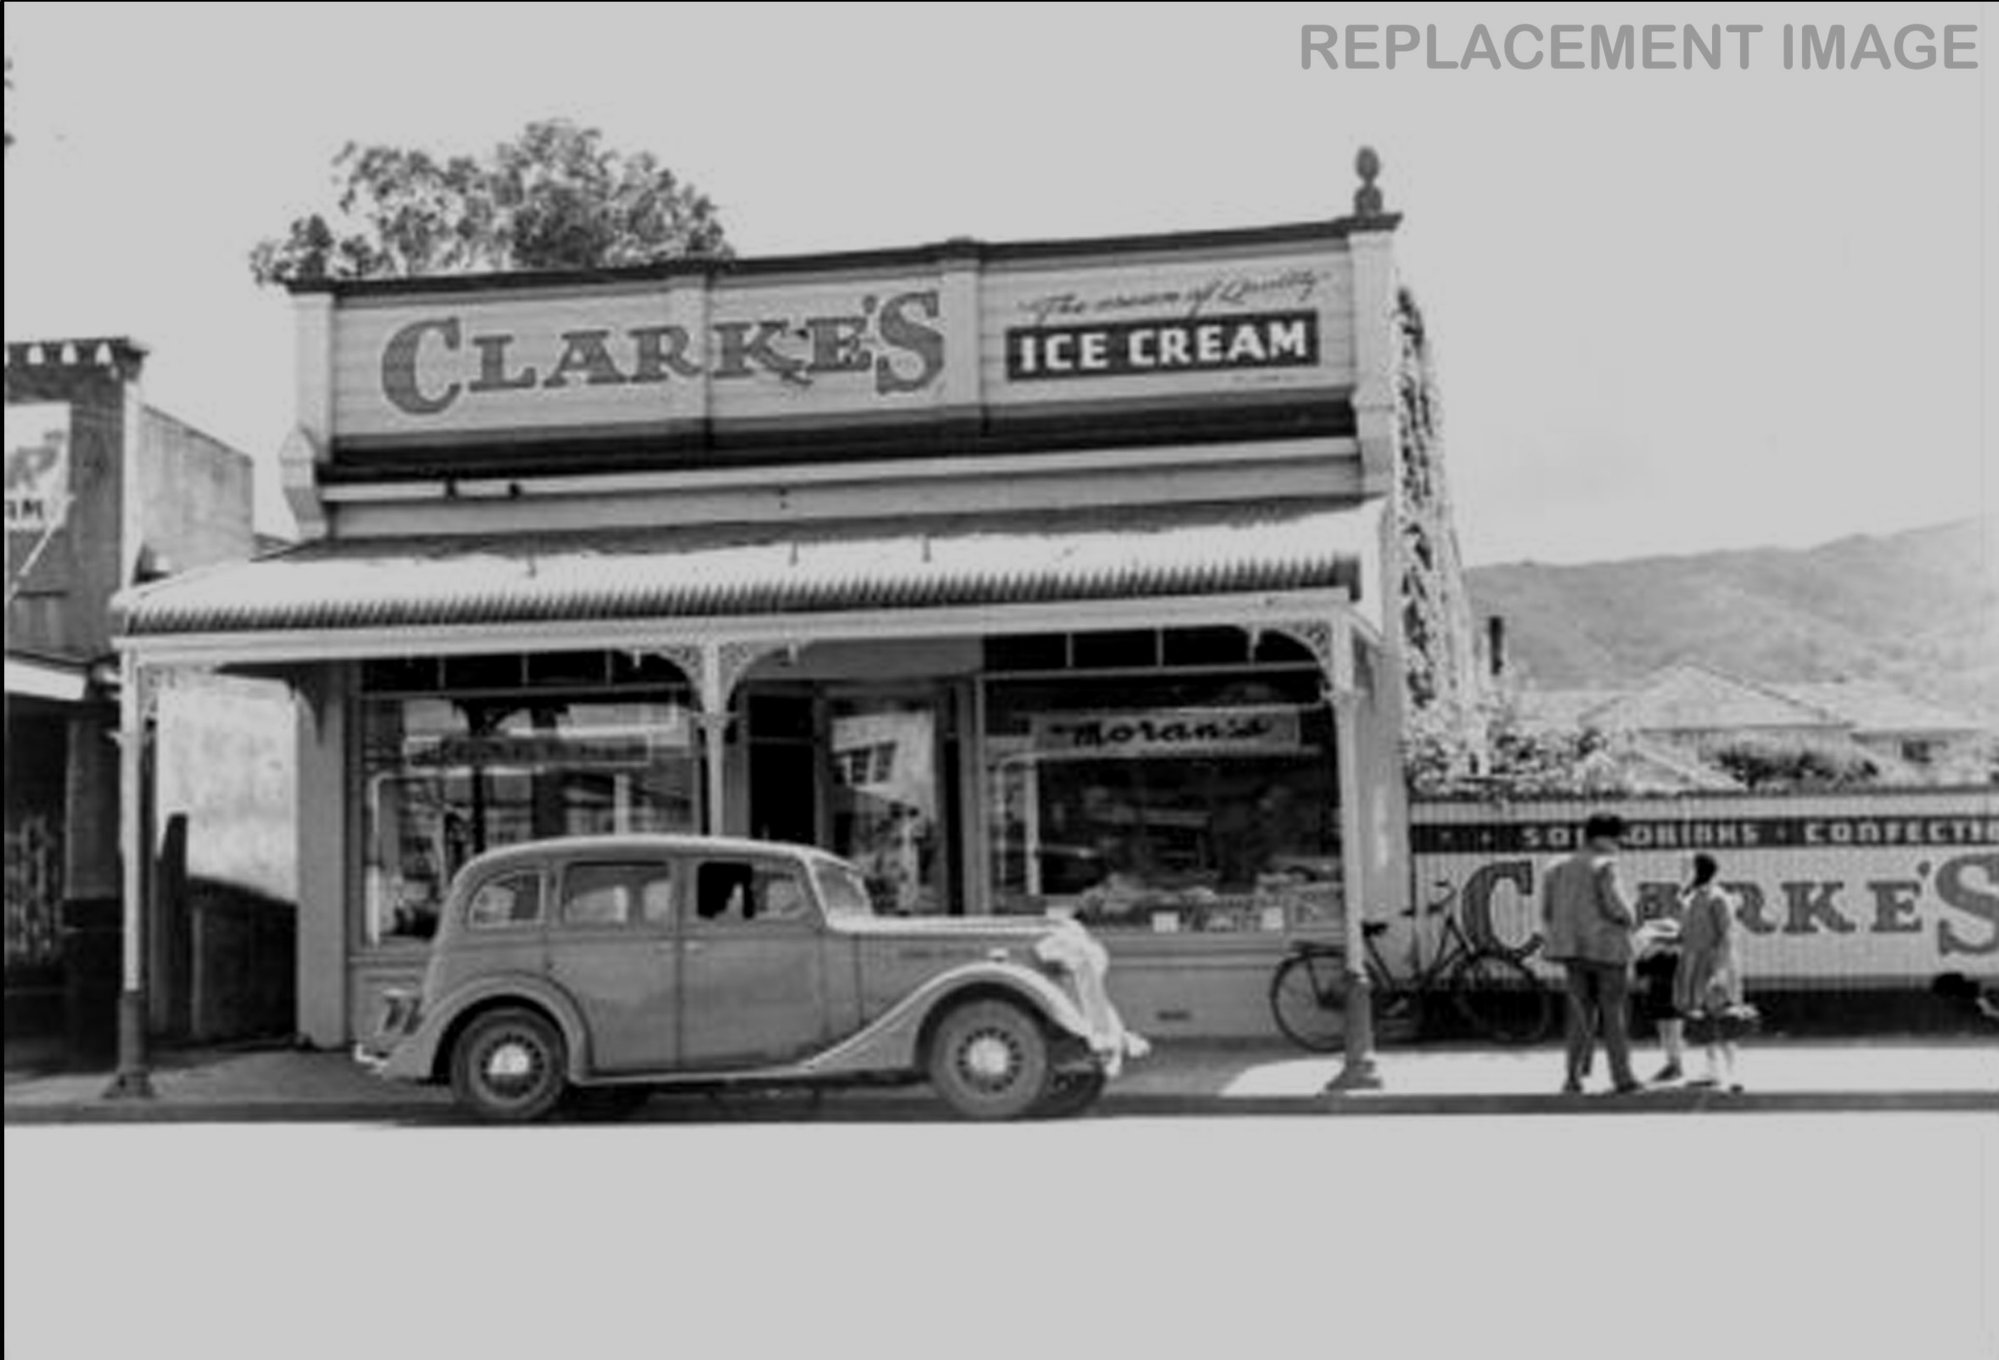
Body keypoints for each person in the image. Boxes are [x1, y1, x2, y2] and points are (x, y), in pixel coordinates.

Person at [1540, 812, 1641, 1095]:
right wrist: (1631, 918)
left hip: (1572, 951)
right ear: (1604, 837)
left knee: (1579, 1014)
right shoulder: (1604, 865)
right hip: (1608, 949)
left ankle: (1572, 1078)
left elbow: (1547, 912)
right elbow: (1617, 908)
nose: (1621, 844)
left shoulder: (1556, 867)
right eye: (1619, 838)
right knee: (1613, 1012)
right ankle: (1622, 1078)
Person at [1675, 853, 1746, 1092]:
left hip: (1716, 963)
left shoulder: (1718, 898)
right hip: (1696, 964)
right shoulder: (1691, 898)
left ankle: (1734, 1072)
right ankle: (1711, 1069)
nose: (1683, 873)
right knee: (1703, 1019)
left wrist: (1720, 971)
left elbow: (1727, 935)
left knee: (1724, 1018)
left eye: (1687, 868)